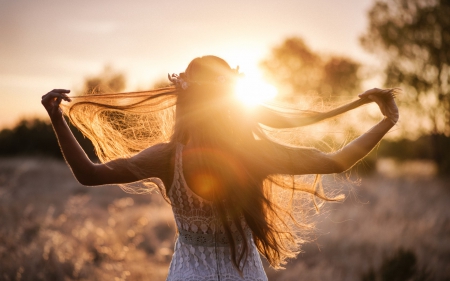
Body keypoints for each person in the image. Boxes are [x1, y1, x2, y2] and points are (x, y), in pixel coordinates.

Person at [41, 55, 399, 281]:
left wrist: (57, 119)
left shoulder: (167, 158)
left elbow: (89, 174)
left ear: (184, 98)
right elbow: (337, 161)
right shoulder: (253, 154)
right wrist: (386, 122)